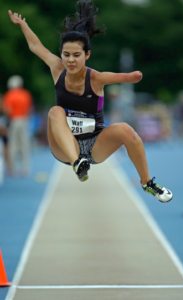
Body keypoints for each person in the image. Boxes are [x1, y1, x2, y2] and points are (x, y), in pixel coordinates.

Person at [8, 0, 173, 202]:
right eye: (66, 54)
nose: (70, 60)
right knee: (55, 112)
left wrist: (131, 76)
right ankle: (77, 163)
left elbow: (118, 76)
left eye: (76, 55)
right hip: (65, 148)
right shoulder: (57, 69)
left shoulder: (95, 78)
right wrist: (23, 25)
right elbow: (36, 46)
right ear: (61, 54)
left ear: (87, 55)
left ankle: (147, 183)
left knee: (126, 130)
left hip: (95, 145)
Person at [3, 75, 33, 176]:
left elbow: (8, 110)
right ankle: (25, 168)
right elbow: (29, 109)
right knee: (24, 144)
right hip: (24, 120)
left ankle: (13, 168)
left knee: (13, 145)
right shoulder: (26, 94)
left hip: (14, 121)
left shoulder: (9, 95)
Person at [0, 94, 10, 173]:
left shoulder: (5, 111)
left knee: (6, 147)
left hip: (4, 133)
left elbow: (7, 124)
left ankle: (8, 167)